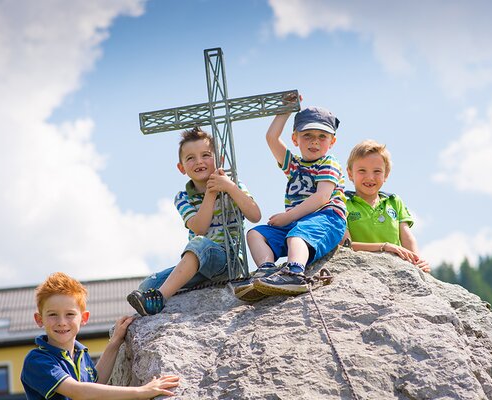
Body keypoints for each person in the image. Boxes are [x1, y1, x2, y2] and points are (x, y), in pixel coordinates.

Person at [127, 127, 261, 315]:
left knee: (199, 245)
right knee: (148, 284)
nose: (199, 161)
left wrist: (230, 187)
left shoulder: (234, 185)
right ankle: (174, 290)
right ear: (181, 167)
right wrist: (211, 193)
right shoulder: (183, 197)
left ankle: (160, 299)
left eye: (206, 155)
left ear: (219, 160)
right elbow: (199, 227)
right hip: (201, 264)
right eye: (190, 158)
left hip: (228, 261)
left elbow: (255, 215)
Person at [235, 103, 347, 301]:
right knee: (255, 234)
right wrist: (285, 111)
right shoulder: (294, 165)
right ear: (295, 139)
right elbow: (271, 138)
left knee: (296, 235)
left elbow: (322, 197)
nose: (315, 142)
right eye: (307, 136)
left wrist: (287, 217)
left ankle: (295, 274)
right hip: (297, 224)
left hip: (327, 218)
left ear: (332, 141)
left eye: (322, 136)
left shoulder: (328, 162)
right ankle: (267, 271)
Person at [21, 272, 180, 399]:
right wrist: (141, 392)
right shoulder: (37, 360)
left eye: (70, 314)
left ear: (84, 318)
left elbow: (96, 382)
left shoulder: (80, 354)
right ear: (39, 319)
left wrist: (115, 342)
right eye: (53, 314)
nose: (62, 322)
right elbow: (79, 392)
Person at [344, 139, 430, 273]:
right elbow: (346, 246)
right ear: (350, 174)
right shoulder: (343, 203)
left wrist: (417, 261)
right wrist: (384, 247)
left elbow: (407, 237)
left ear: (386, 174)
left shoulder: (394, 201)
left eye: (377, 171)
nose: (370, 177)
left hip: (395, 269)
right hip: (360, 270)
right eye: (362, 170)